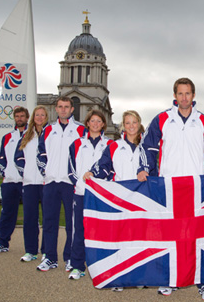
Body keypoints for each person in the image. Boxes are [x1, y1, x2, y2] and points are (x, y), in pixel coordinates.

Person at [137, 78, 204, 301]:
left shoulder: (203, 120)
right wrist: (145, 168)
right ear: (174, 95)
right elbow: (147, 146)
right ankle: (170, 280)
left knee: (199, 235)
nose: (184, 98)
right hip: (170, 185)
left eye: (188, 94)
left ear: (193, 96)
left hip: (197, 186)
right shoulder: (162, 119)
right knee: (171, 234)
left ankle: (203, 282)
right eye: (180, 93)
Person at [85, 110, 145, 291]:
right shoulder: (114, 146)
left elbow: (156, 169)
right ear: (123, 126)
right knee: (120, 238)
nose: (131, 126)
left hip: (142, 199)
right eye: (127, 123)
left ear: (139, 124)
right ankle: (119, 278)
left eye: (134, 122)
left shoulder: (147, 146)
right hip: (120, 198)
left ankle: (139, 275)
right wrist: (92, 173)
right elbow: (103, 166)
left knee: (140, 238)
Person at [36, 96, 85, 272]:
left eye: (66, 107)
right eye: (60, 107)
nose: (63, 110)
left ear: (72, 109)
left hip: (70, 183)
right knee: (49, 221)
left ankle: (70, 257)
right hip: (50, 182)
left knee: (72, 223)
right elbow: (41, 154)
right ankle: (50, 258)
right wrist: (46, 172)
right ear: (55, 109)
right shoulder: (49, 129)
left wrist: (76, 177)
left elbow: (83, 156)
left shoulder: (80, 129)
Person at [67, 109, 113, 280]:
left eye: (98, 121)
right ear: (87, 123)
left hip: (101, 195)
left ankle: (103, 267)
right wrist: (82, 185)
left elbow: (110, 169)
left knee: (102, 232)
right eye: (92, 121)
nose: (95, 124)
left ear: (103, 124)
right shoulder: (76, 144)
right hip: (81, 193)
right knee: (79, 230)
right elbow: (70, 170)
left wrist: (100, 186)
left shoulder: (109, 144)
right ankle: (77, 265)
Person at [0, 106, 29, 254]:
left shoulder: (32, 136)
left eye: (22, 116)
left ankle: (30, 247)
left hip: (27, 181)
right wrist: (4, 172)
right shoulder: (7, 137)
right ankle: (2, 242)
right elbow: (1, 157)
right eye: (17, 116)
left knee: (30, 215)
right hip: (9, 182)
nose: (19, 118)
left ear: (27, 118)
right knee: (7, 213)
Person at [14, 105, 48, 262]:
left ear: (46, 117)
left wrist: (47, 173)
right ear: (33, 117)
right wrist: (25, 173)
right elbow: (18, 157)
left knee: (48, 218)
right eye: (37, 115)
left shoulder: (51, 134)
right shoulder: (27, 135)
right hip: (29, 183)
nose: (40, 118)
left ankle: (47, 251)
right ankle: (31, 250)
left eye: (42, 115)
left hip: (46, 182)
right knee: (29, 218)